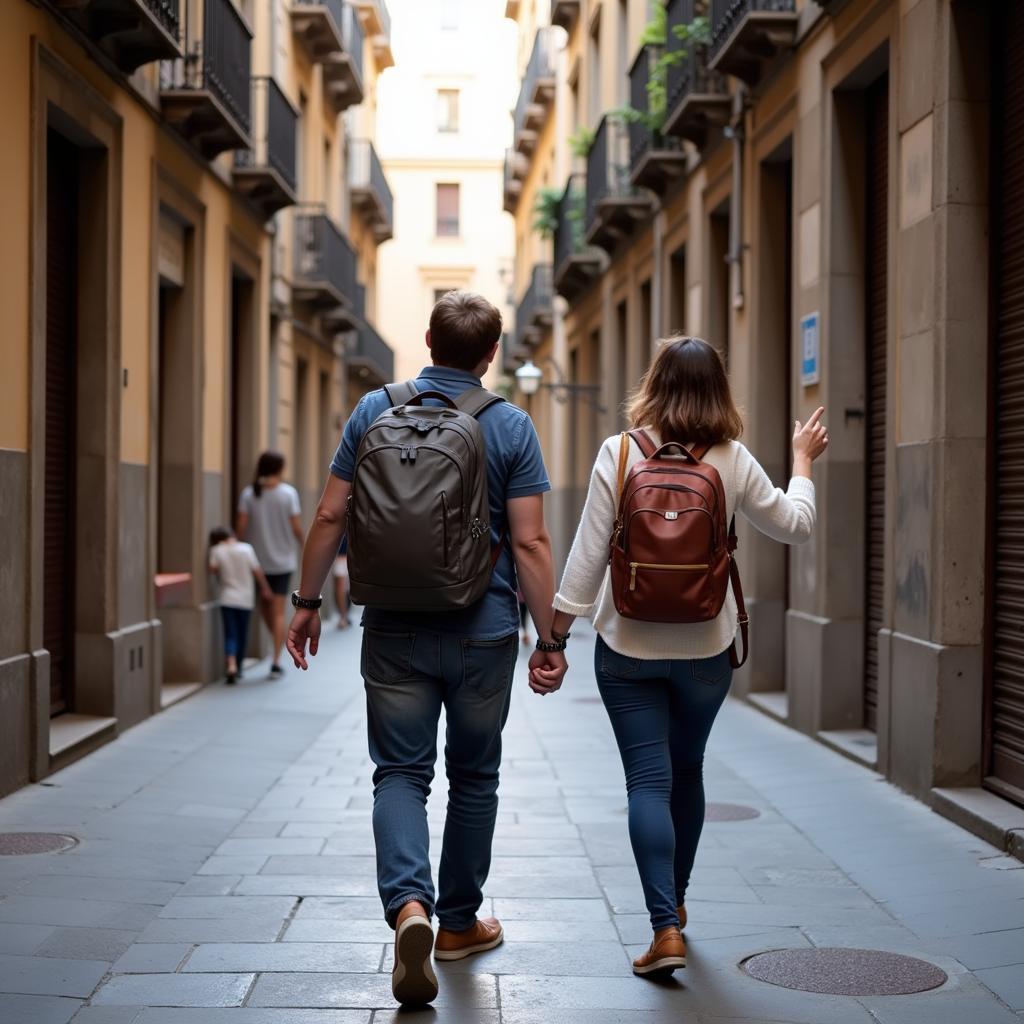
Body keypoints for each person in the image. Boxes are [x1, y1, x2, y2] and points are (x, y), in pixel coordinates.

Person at [286, 291, 567, 1006]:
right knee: (474, 778)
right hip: (484, 631)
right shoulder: (509, 426)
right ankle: (457, 922)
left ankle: (408, 906)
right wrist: (551, 637)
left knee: (400, 774)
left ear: (428, 341)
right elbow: (531, 541)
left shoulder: (372, 410)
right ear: (491, 352)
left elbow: (329, 512)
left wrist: (307, 604)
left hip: (395, 630)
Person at [543, 336, 828, 978]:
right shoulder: (732, 459)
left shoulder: (618, 454)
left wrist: (552, 640)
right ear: (718, 391)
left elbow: (587, 559)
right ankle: (679, 901)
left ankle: (663, 926)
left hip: (626, 646)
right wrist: (802, 462)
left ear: (654, 383)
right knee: (688, 771)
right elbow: (796, 525)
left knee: (647, 782)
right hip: (707, 646)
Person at [237, 451, 304, 678]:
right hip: (282, 561)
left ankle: (275, 656)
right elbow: (295, 527)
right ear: (279, 468)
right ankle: (277, 657)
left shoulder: (249, 494)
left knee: (266, 609)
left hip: (257, 563)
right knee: (276, 612)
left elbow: (241, 528)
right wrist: (304, 545)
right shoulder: (288, 494)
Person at [208, 526, 272, 685]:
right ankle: (239, 666)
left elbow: (213, 569)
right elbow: (257, 570)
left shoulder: (216, 550)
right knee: (242, 633)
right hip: (245, 598)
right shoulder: (246, 549)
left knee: (230, 633)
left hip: (227, 597)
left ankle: (231, 665)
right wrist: (265, 588)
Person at [333, 535, 351, 629]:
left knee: (344, 587)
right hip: (340, 553)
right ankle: (343, 616)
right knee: (341, 587)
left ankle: (344, 615)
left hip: (349, 552)